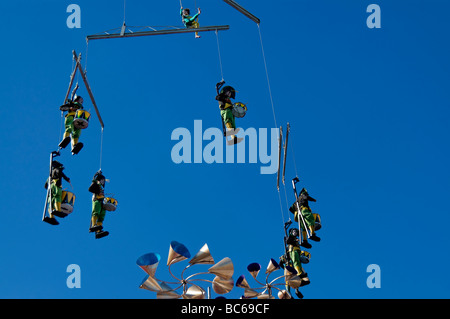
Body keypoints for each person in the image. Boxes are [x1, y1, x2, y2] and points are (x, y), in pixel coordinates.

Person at [43, 157, 71, 225]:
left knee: (51, 201)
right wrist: (67, 179)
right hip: (56, 185)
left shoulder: (50, 174)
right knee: (57, 197)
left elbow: (45, 185)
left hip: (51, 187)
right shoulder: (58, 170)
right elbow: (61, 174)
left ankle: (51, 216)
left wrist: (49, 187)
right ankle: (57, 210)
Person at [215, 80, 243, 145]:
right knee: (229, 124)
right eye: (230, 95)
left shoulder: (228, 99)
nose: (230, 97)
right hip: (226, 111)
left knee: (233, 128)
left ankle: (234, 137)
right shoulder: (222, 96)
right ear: (227, 91)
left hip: (231, 113)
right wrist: (224, 99)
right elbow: (217, 97)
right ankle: (233, 138)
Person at [88, 170, 109, 239]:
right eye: (102, 180)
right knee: (96, 213)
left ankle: (99, 231)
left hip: (102, 202)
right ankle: (94, 225)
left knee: (101, 215)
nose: (103, 181)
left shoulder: (101, 187)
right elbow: (92, 184)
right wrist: (96, 175)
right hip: (96, 199)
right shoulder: (96, 184)